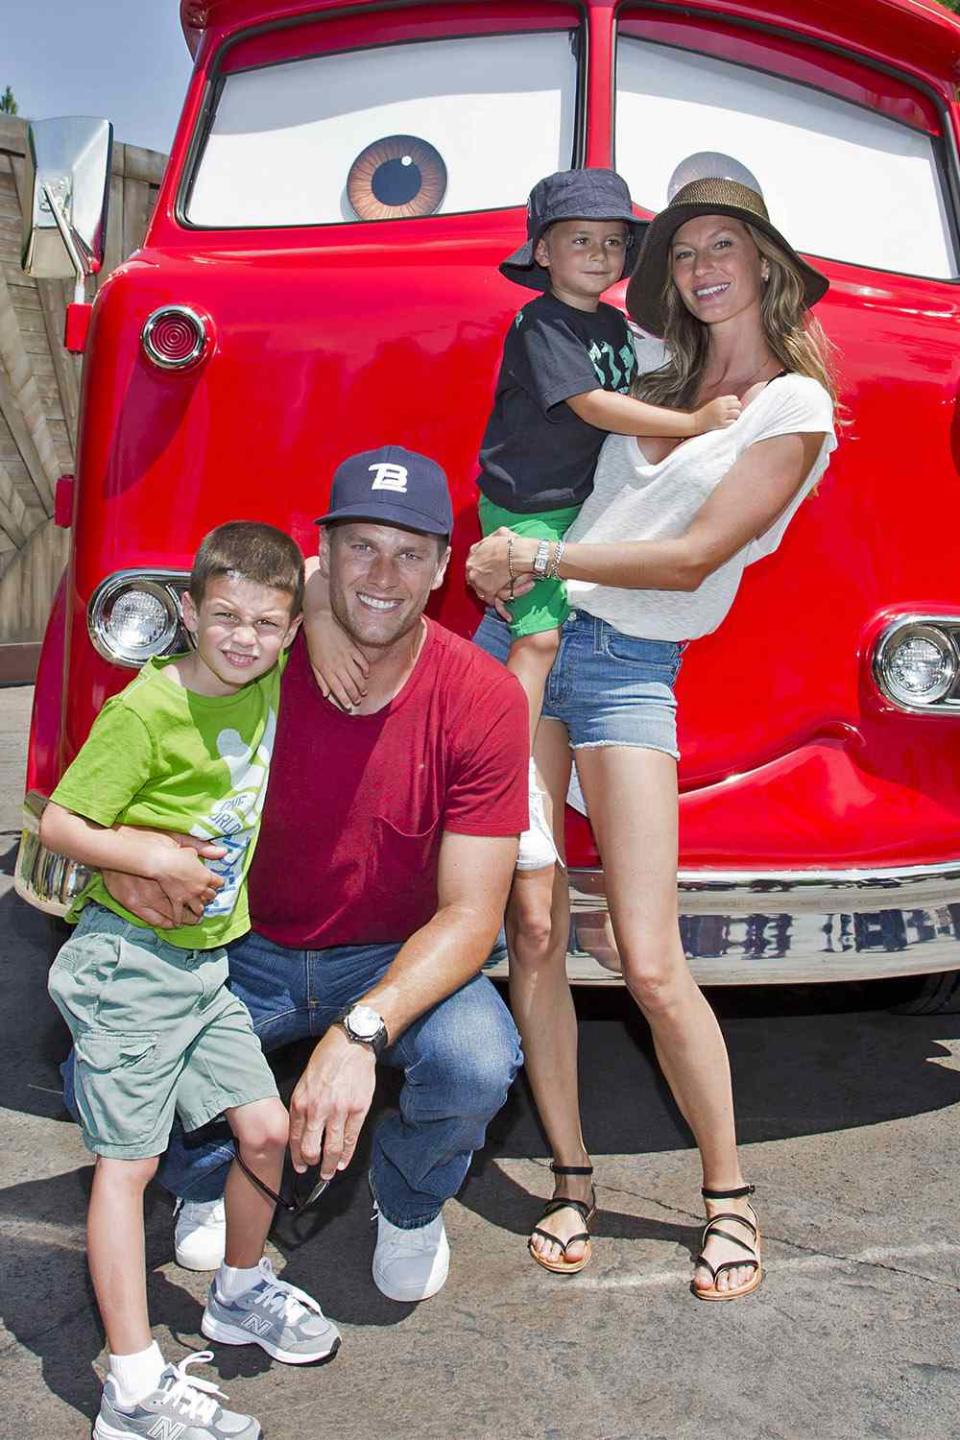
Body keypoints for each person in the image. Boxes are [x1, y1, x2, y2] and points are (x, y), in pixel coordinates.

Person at [466, 154, 838, 1299]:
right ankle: (571, 1175)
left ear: (768, 263)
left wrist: (536, 555)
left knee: (648, 954)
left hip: (627, 666)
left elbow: (692, 554)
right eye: (682, 250)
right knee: (531, 925)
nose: (700, 265)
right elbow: (547, 456)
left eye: (722, 244)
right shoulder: (653, 372)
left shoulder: (795, 407)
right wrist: (504, 556)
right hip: (525, 644)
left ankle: (728, 1197)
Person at [84, 447, 528, 1309]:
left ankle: (408, 1202)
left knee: (476, 1061)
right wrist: (139, 864)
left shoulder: (482, 697)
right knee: (111, 1050)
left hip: (388, 957)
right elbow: (130, 780)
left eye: (409, 553)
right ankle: (207, 1173)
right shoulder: (252, 655)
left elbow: (474, 915)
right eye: (360, 547)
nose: (383, 575)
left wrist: (362, 1033)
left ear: (443, 568)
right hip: (237, 943)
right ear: (322, 554)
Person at [42, 522, 338, 1440]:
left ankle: (240, 1294)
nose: (244, 638)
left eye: (264, 623)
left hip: (207, 971)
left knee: (265, 1130)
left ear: (288, 633)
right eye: (224, 618)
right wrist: (148, 858)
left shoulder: (270, 680)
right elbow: (58, 825)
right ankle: (130, 1391)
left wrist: (317, 573)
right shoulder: (146, 711)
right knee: (125, 1172)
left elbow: (324, 582)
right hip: (129, 966)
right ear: (186, 613)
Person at [477, 167, 740, 871]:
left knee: (563, 639)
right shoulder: (541, 324)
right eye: (580, 240)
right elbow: (593, 405)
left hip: (583, 512)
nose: (599, 255)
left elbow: (666, 361)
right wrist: (692, 423)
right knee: (534, 645)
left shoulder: (615, 325)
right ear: (542, 251)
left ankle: (582, 792)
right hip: (528, 510)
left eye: (614, 243)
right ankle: (517, 795)